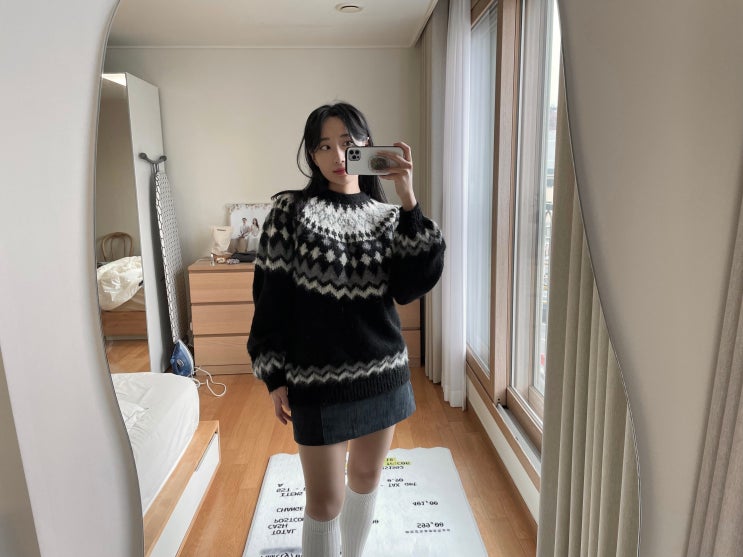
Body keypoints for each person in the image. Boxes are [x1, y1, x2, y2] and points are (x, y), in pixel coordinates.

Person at [247, 102, 445, 557]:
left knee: (366, 478)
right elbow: (270, 298)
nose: (337, 155)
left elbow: (411, 286)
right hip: (315, 380)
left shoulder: (390, 218)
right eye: (324, 146)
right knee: (324, 500)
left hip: (382, 374)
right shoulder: (289, 212)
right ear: (311, 155)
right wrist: (273, 375)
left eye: (348, 144)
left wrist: (408, 199)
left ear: (366, 147)